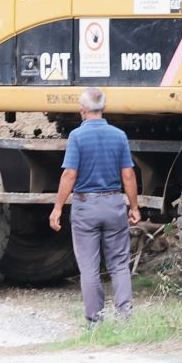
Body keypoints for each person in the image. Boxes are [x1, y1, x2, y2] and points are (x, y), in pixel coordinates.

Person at [48, 86, 140, 324]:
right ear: (104, 109)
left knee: (89, 268)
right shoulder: (118, 135)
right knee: (119, 264)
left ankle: (95, 321)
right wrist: (134, 207)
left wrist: (58, 207)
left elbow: (69, 174)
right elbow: (128, 175)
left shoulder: (77, 137)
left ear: (82, 110)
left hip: (85, 207)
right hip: (113, 204)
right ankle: (125, 316)